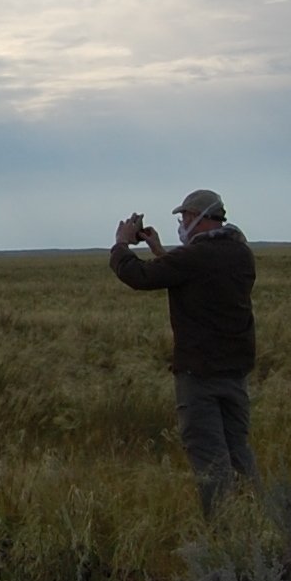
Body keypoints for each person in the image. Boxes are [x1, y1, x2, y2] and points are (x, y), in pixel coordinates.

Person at [110, 187, 257, 514]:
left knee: (209, 458)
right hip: (234, 373)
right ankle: (256, 523)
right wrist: (161, 251)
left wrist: (121, 243)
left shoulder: (196, 257)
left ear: (202, 219)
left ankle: (222, 534)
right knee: (238, 452)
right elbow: (198, 278)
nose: (183, 222)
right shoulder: (240, 253)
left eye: (186, 217)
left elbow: (140, 276)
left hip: (200, 376)